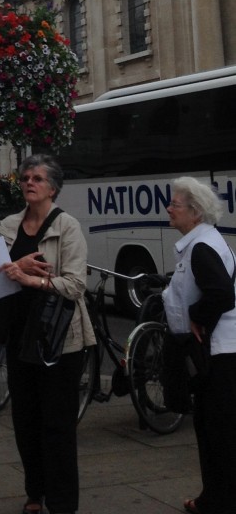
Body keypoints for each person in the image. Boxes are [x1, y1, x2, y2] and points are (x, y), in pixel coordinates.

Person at [0, 155, 94, 514]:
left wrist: (29, 279)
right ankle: (34, 493)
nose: (29, 182)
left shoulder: (68, 227)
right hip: (19, 335)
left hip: (59, 340)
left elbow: (76, 284)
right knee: (25, 421)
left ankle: (63, 502)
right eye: (25, 177)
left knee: (58, 425)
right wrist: (17, 266)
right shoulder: (8, 225)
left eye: (37, 178)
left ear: (52, 188)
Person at [162, 176, 236, 514]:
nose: (169, 208)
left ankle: (217, 502)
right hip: (222, 350)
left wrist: (196, 315)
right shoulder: (204, 241)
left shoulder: (201, 247)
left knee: (215, 432)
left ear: (195, 212)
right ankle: (214, 498)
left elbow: (221, 294)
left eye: (175, 204)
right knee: (214, 430)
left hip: (218, 354)